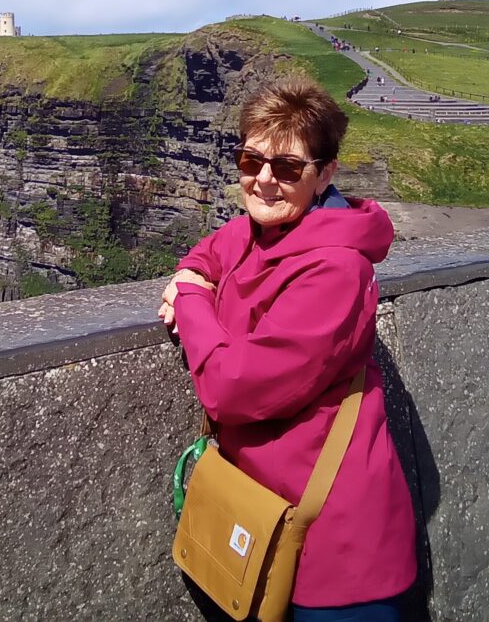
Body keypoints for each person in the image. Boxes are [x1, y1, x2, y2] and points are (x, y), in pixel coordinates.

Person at [158, 78, 416, 619]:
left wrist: (190, 298)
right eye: (251, 161)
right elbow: (211, 249)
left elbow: (232, 387)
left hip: (337, 552)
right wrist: (193, 271)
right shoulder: (260, 231)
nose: (264, 180)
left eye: (288, 168)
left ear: (325, 173)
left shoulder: (337, 269)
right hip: (265, 514)